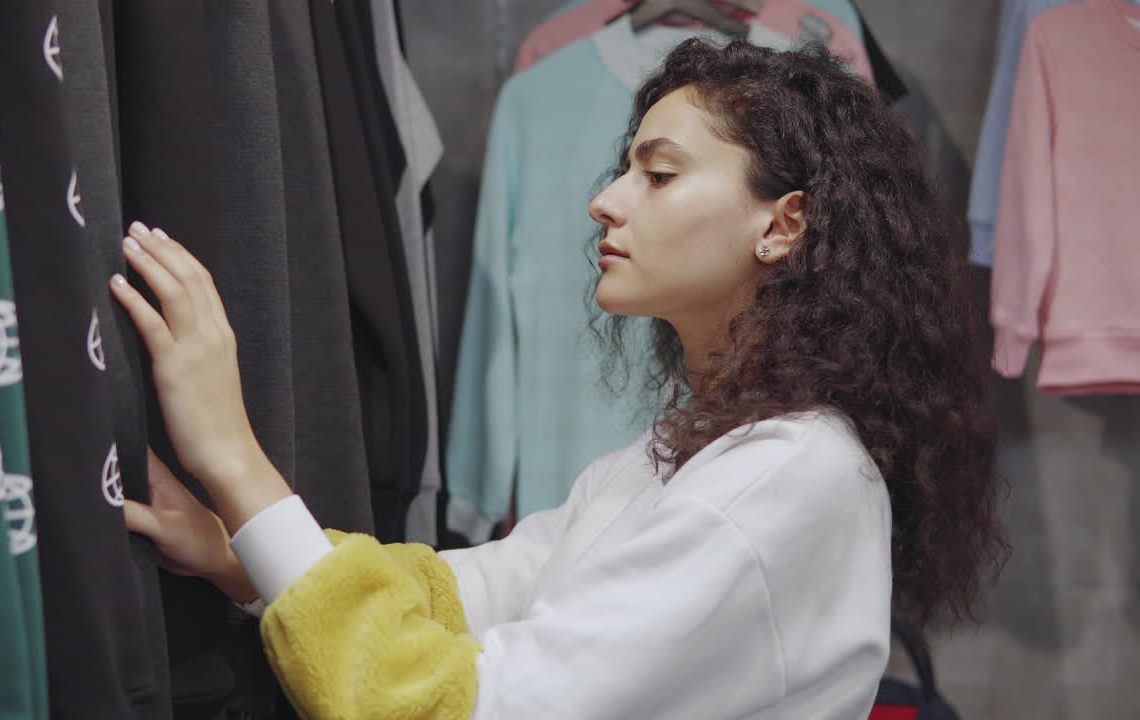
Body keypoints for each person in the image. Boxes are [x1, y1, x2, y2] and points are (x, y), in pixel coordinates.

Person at [109, 38, 1005, 719]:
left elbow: (448, 705)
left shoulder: (784, 475)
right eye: (627, 169)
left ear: (783, 225)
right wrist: (241, 558)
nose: (607, 200)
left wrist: (232, 456)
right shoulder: (688, 449)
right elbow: (467, 593)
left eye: (658, 174)